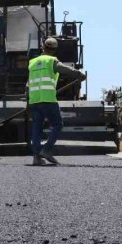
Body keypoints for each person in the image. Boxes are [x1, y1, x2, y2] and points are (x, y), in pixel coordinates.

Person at [28, 37, 85, 166]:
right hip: (47, 99)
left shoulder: (32, 62)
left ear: (43, 47)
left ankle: (36, 157)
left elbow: (27, 85)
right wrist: (78, 74)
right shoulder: (51, 60)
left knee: (36, 129)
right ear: (54, 50)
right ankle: (46, 150)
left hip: (34, 100)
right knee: (58, 125)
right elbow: (64, 69)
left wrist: (28, 102)